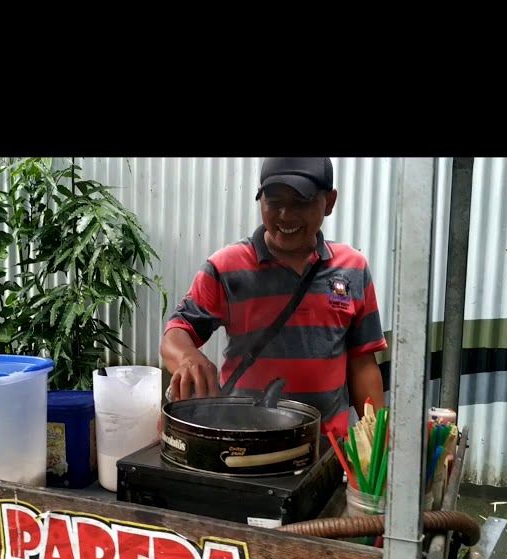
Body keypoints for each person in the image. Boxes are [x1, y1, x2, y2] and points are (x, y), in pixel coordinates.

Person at [160, 157, 387, 438]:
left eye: (301, 202)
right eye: (273, 201)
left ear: (329, 202)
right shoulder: (227, 267)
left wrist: (378, 440)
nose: (285, 215)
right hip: (243, 443)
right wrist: (188, 356)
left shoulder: (353, 269)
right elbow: (176, 333)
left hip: (326, 449)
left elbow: (362, 362)